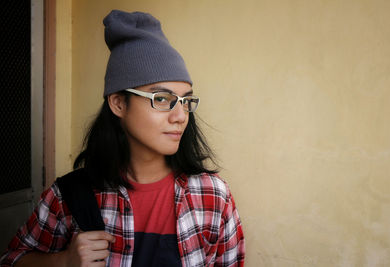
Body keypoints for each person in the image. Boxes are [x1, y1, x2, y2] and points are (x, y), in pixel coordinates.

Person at [0, 10, 245, 267]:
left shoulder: (213, 197)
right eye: (161, 98)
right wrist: (63, 261)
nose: (180, 116)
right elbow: (11, 259)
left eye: (185, 101)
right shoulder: (69, 197)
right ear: (118, 103)